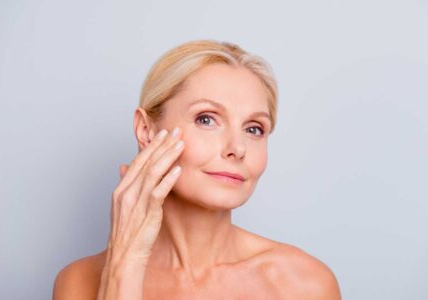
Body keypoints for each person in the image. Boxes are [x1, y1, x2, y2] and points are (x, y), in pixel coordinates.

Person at [52, 39, 341, 299]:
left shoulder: (303, 284)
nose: (237, 148)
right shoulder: (79, 283)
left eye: (254, 129)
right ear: (146, 130)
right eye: (206, 119)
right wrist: (125, 265)